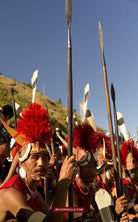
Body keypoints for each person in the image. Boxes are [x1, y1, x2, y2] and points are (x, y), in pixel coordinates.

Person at [0, 103, 77, 222]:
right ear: (21, 162)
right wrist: (63, 184)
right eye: (35, 157)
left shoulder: (33, 191)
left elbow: (53, 213)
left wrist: (76, 211)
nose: (41, 163)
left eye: (46, 157)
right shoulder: (11, 193)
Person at [112, 141, 138, 221]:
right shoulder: (122, 186)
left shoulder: (133, 186)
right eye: (136, 170)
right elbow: (125, 213)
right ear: (131, 173)